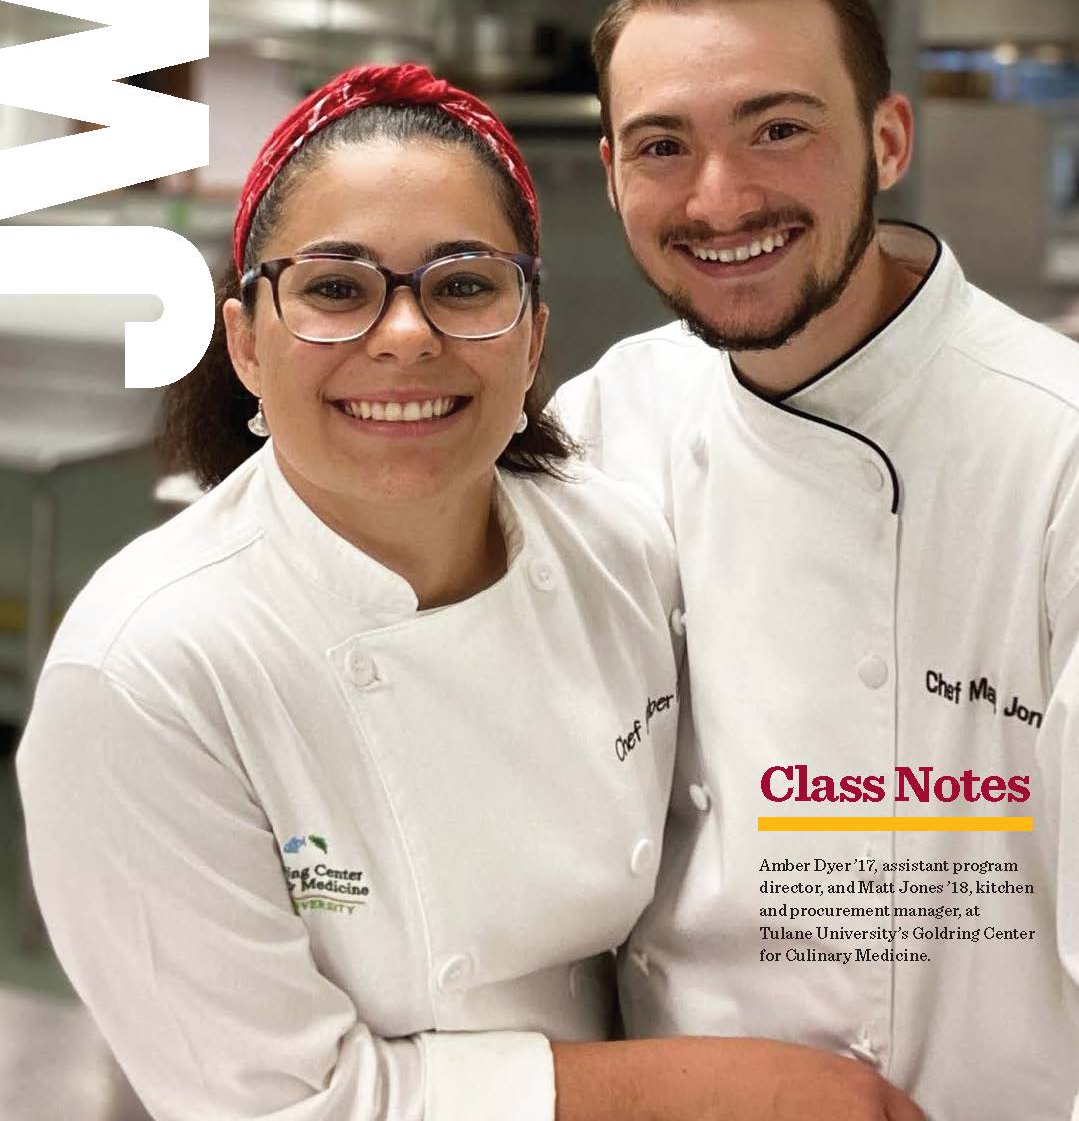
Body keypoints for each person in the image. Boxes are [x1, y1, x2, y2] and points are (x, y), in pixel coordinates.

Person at [18, 60, 924, 1121]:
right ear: (248, 344)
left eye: (461, 285)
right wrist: (744, 1091)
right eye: (336, 288)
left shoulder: (615, 551)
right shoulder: (144, 672)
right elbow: (289, 1109)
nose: (404, 335)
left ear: (531, 335)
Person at [555, 0, 1079, 1121]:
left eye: (777, 127)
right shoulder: (595, 425)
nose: (719, 197)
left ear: (888, 139)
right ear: (608, 170)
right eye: (661, 146)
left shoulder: (1056, 454)